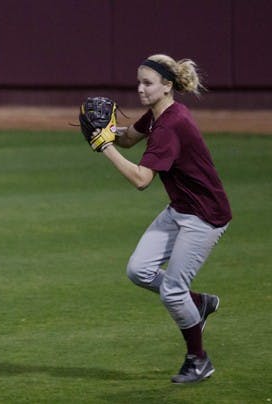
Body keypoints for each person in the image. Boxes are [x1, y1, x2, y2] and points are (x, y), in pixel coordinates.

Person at [100, 54, 232, 384]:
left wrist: (104, 147)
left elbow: (142, 180)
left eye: (148, 83)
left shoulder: (171, 126)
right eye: (139, 82)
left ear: (167, 86)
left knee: (172, 291)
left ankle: (198, 360)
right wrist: (109, 130)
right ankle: (198, 304)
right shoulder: (160, 115)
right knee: (138, 270)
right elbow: (130, 137)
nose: (140, 88)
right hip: (181, 209)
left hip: (204, 216)